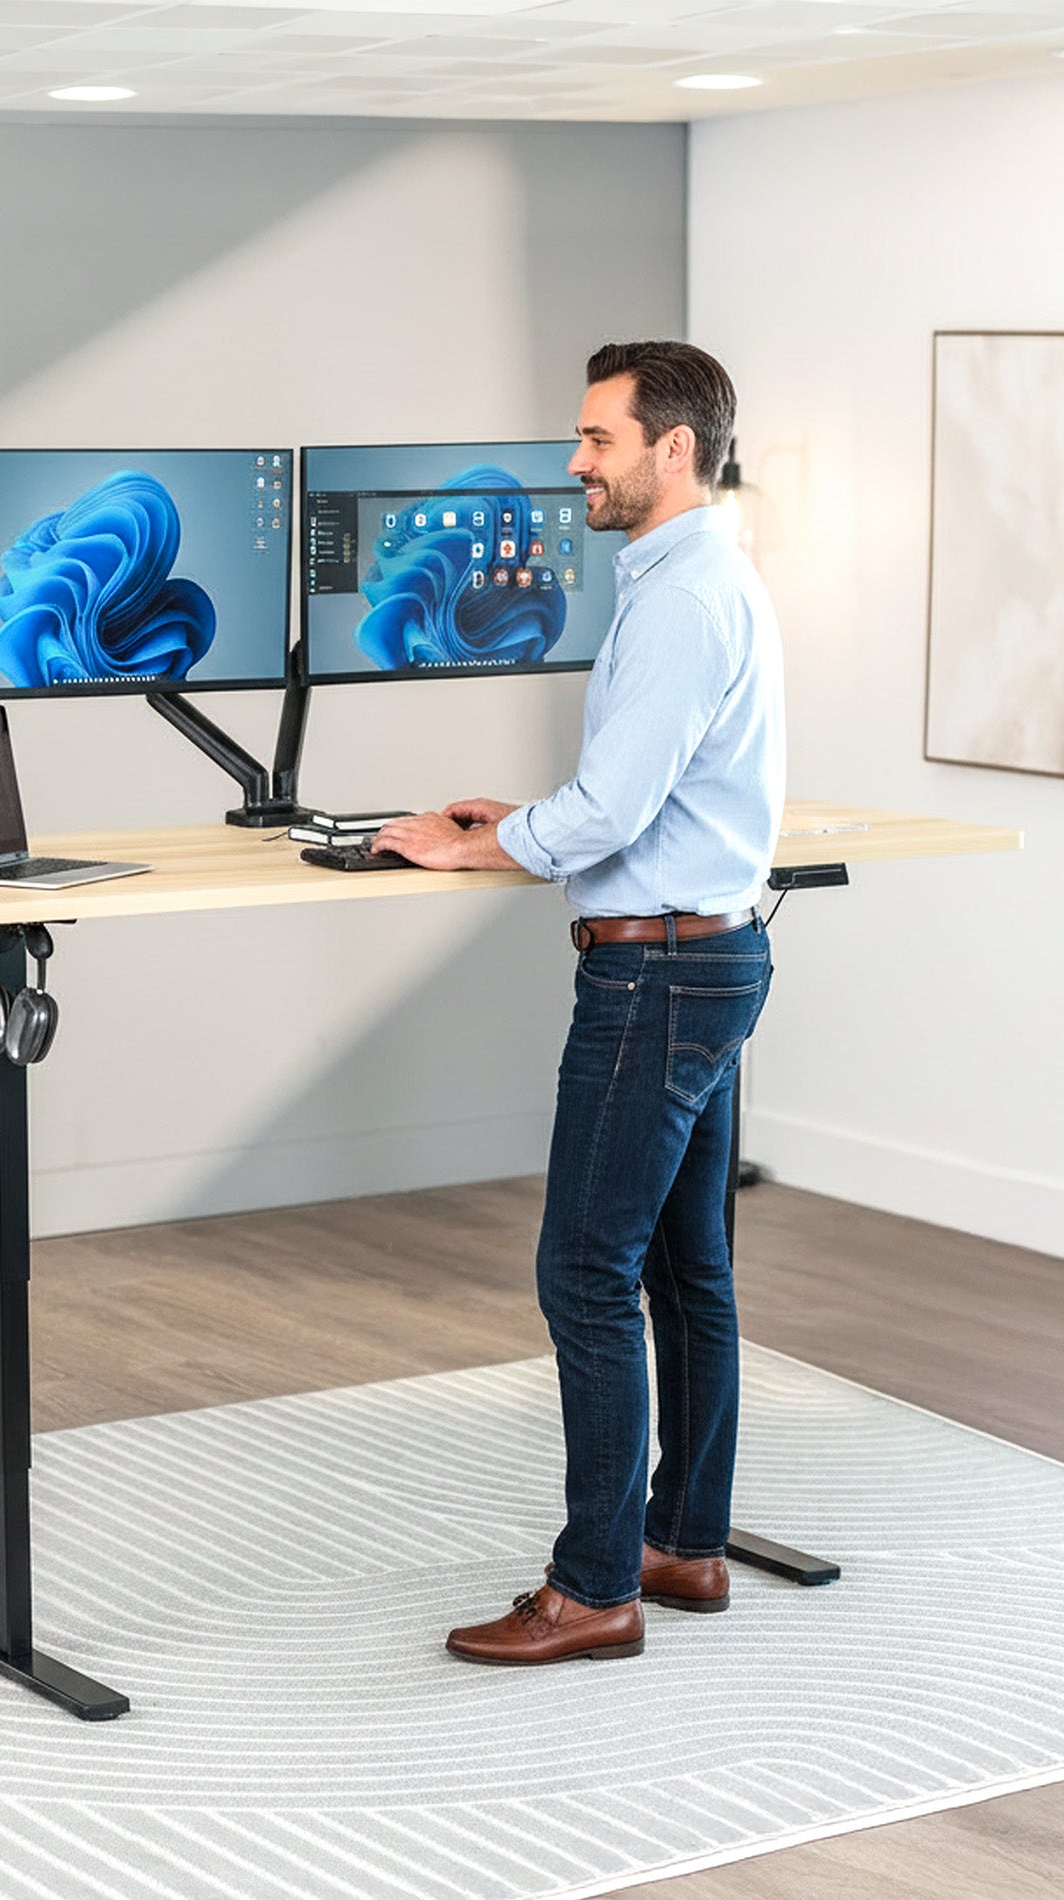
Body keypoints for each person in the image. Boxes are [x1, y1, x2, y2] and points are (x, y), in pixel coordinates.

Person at [371, 341, 785, 1665]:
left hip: (654, 973)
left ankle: (595, 1585)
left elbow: (611, 811)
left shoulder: (678, 599)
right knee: (684, 1267)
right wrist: (521, 824)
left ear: (675, 448)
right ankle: (685, 1541)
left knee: (585, 1271)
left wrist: (473, 842)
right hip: (707, 952)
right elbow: (630, 797)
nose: (574, 462)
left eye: (597, 439)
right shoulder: (709, 575)